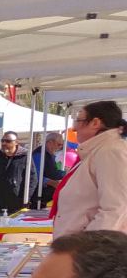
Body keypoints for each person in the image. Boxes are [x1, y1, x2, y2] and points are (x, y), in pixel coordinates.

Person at [53, 101, 127, 239]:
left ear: (95, 123)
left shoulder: (110, 152)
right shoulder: (98, 151)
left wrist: (85, 246)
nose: (74, 128)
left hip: (89, 248)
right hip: (79, 245)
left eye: (78, 120)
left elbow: (115, 209)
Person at [0, 130, 32, 215]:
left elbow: (32, 178)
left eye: (8, 141)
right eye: (2, 141)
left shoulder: (24, 156)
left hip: (17, 202)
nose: (4, 143)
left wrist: (26, 197)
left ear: (16, 142)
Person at [30, 132, 67, 209]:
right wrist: (52, 182)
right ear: (50, 143)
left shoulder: (50, 155)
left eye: (61, 145)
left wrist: (66, 173)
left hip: (46, 196)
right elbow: (35, 175)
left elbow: (52, 172)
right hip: (37, 196)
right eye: (59, 144)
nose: (60, 147)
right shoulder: (39, 154)